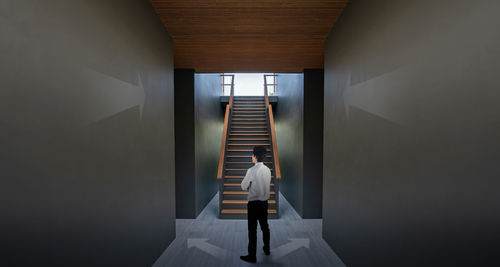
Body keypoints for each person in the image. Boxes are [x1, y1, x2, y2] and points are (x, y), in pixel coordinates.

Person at [240, 146, 272, 263]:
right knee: (265, 227)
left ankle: (252, 256)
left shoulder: (251, 171)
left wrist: (250, 185)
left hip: (253, 204)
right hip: (264, 203)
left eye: (252, 155)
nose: (251, 157)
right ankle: (267, 248)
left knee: (252, 230)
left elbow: (243, 186)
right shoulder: (268, 170)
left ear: (256, 156)